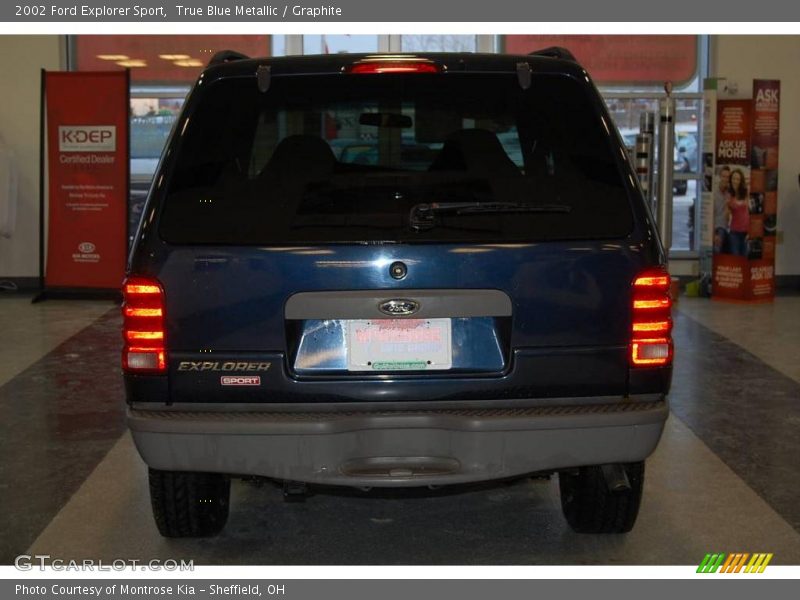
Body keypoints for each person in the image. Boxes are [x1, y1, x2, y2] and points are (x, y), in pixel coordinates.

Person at [726, 168, 750, 257]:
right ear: (731, 180)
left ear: (741, 181)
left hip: (745, 232)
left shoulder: (745, 192)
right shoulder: (729, 195)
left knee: (744, 258)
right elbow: (727, 215)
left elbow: (748, 212)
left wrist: (749, 231)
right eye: (733, 179)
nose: (735, 181)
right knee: (736, 259)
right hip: (734, 232)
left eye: (738, 179)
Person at [713, 166, 730, 254]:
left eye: (727, 177)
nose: (725, 179)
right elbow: (711, 215)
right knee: (717, 251)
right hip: (718, 228)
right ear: (719, 177)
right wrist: (713, 234)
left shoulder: (730, 193)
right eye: (724, 176)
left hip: (729, 229)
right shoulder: (714, 194)